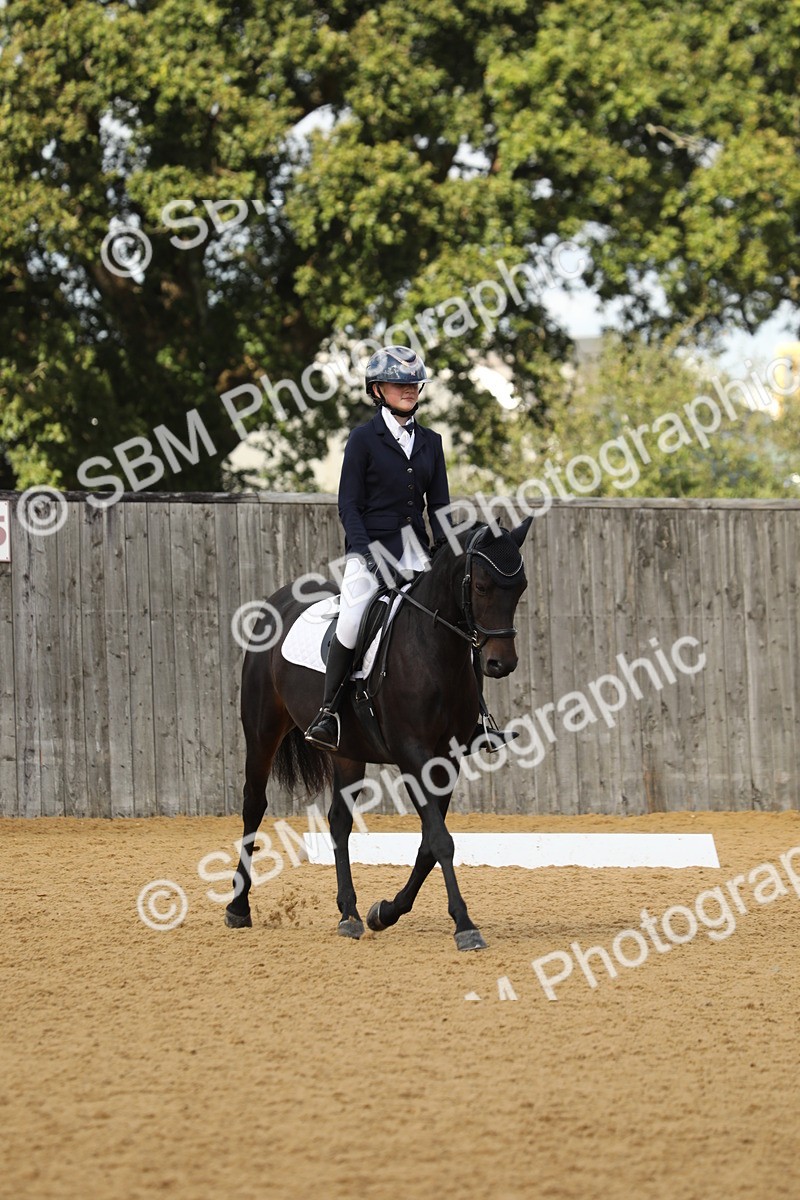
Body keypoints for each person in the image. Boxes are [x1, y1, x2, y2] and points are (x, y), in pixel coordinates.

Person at [304, 345, 515, 755]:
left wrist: (448, 552)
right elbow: (349, 505)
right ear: (377, 389)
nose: (409, 390)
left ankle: (475, 720)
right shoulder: (363, 439)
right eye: (399, 384)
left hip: (417, 553)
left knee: (462, 619)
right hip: (371, 552)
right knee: (351, 620)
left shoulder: (431, 442)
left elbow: (438, 508)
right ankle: (328, 713)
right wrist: (364, 553)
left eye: (414, 384)